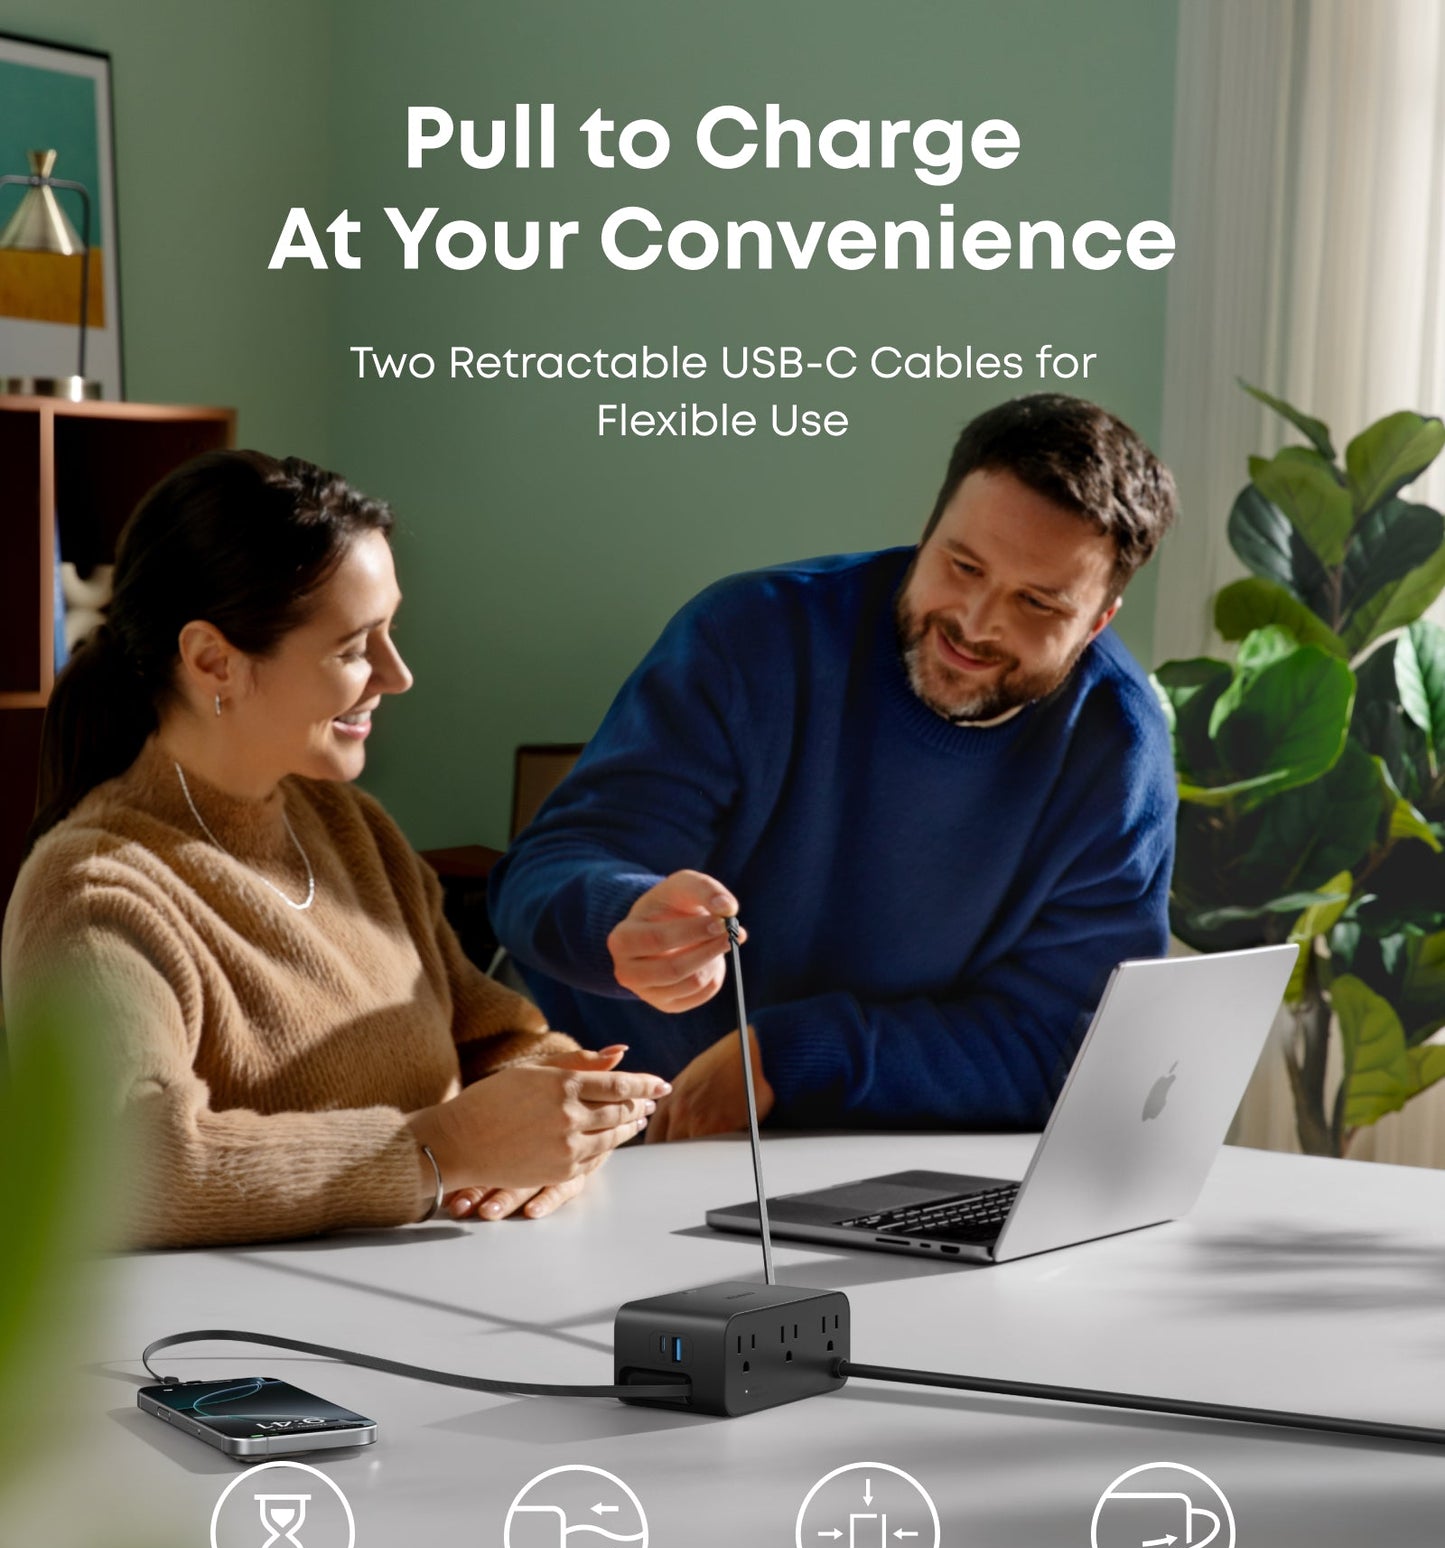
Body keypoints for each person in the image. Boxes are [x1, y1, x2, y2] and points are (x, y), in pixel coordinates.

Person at [1, 450, 668, 1246]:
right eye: (355, 646)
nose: (398, 674)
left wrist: (555, 1127)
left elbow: (501, 1041)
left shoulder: (353, 830)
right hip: (243, 1354)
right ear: (213, 659)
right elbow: (115, 1169)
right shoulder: (94, 892)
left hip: (436, 1309)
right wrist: (440, 1150)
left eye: (391, 632)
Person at [488, 393, 1179, 1140]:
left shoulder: (1117, 753)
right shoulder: (747, 636)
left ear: (1098, 619)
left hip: (865, 1159)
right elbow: (538, 874)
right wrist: (620, 920)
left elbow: (1065, 1051)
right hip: (600, 1128)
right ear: (927, 530)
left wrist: (789, 1057)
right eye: (962, 564)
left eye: (1038, 603)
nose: (976, 623)